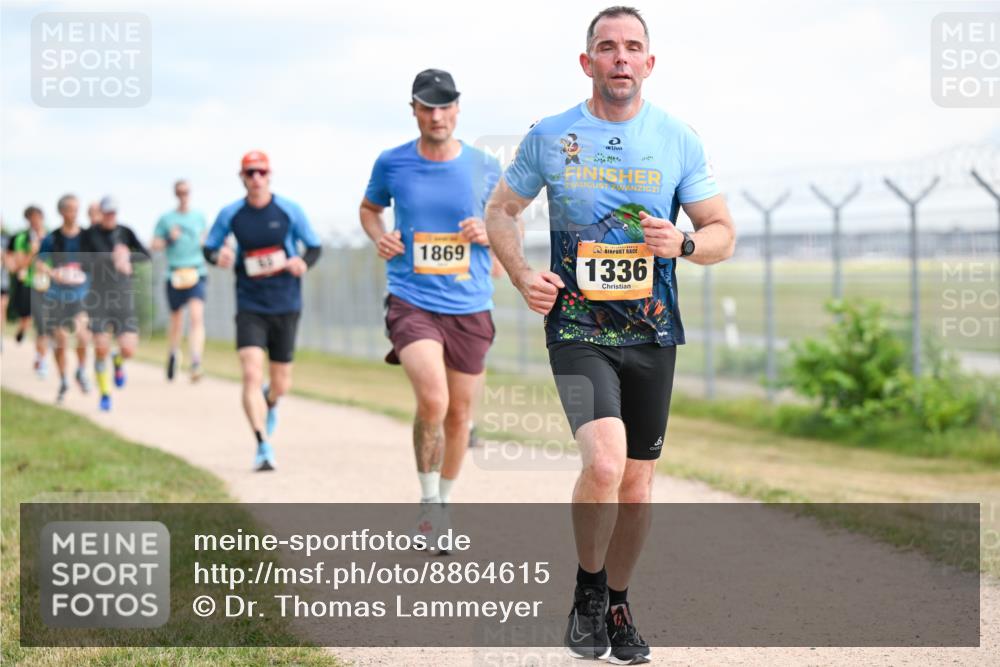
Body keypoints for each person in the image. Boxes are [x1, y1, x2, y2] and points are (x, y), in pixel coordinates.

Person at [484, 7, 735, 663]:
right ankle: (587, 590)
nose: (620, 57)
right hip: (577, 326)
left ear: (649, 63)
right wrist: (519, 276)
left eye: (632, 47)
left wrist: (683, 240)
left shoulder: (679, 138)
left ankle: (618, 601)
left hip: (652, 331)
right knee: (604, 461)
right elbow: (500, 211)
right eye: (606, 46)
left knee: (638, 483)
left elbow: (721, 233)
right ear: (587, 61)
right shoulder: (551, 136)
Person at [360, 69, 501, 540]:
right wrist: (381, 238)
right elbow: (369, 208)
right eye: (427, 106)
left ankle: (443, 503)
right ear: (414, 111)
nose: (436, 115)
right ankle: (425, 500)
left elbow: (510, 229)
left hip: (470, 305)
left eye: (444, 106)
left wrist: (489, 233)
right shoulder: (392, 162)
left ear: (457, 109)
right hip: (412, 299)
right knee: (434, 400)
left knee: (460, 415)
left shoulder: (485, 166)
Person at [203, 150, 322, 472]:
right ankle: (262, 445)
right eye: (250, 173)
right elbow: (210, 247)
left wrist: (302, 262)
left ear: (270, 176)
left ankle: (271, 401)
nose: (256, 178)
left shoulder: (288, 210)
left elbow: (314, 247)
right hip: (250, 304)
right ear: (242, 177)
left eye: (261, 172)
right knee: (251, 373)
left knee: (281, 383)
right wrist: (219, 258)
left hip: (285, 303)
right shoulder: (231, 214)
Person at [83, 196, 151, 411]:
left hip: (122, 296)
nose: (111, 216)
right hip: (98, 297)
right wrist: (109, 259)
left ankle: (119, 361)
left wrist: (128, 259)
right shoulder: (89, 235)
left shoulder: (125, 232)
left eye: (114, 212)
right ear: (101, 213)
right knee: (101, 347)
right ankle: (105, 394)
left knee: (129, 349)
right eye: (107, 212)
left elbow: (146, 255)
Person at [34, 194, 92, 402]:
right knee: (61, 340)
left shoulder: (87, 237)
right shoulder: (52, 238)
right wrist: (52, 272)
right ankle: (63, 380)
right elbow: (39, 262)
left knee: (84, 336)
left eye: (76, 209)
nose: (73, 213)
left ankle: (81, 371)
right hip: (57, 296)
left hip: (80, 294)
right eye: (69, 209)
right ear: (61, 211)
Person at [151, 179, 208, 381]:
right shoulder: (166, 219)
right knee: (177, 321)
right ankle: (173, 352)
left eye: (186, 191)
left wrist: (207, 243)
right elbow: (155, 244)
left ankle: (195, 361)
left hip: (196, 271)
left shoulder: (199, 216)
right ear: (175, 194)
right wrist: (169, 238)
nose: (183, 195)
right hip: (174, 273)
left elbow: (208, 239)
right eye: (180, 192)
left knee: (196, 316)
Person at [7, 205, 50, 375]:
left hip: (44, 285)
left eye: (38, 217)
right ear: (28, 220)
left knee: (42, 324)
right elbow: (19, 265)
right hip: (26, 283)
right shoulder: (22, 238)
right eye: (32, 218)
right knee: (26, 318)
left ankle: (41, 360)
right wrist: (32, 253)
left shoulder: (51, 237)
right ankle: (22, 329)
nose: (36, 221)